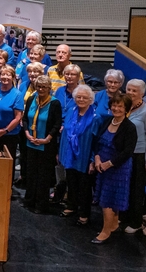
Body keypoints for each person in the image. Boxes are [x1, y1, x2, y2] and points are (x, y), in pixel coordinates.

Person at [92, 94, 137, 244]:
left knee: (107, 200)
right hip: (102, 165)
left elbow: (127, 152)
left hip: (117, 168)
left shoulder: (130, 127)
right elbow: (97, 142)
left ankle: (105, 232)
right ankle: (113, 225)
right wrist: (97, 158)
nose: (116, 109)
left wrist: (109, 163)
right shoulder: (106, 121)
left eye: (120, 106)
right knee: (110, 198)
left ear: (126, 109)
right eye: (114, 105)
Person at [21, 75, 63, 214]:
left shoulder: (55, 103)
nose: (41, 89)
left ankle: (40, 205)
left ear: (49, 88)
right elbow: (25, 119)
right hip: (31, 142)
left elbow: (57, 124)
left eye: (44, 87)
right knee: (31, 174)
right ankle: (29, 201)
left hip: (46, 144)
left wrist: (47, 139)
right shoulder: (32, 99)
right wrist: (27, 133)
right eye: (39, 86)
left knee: (43, 176)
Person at [58, 85, 100, 225]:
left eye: (84, 97)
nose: (81, 99)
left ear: (91, 99)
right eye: (78, 97)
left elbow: (96, 141)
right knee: (71, 182)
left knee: (84, 187)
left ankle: (84, 213)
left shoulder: (95, 117)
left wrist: (92, 160)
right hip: (70, 155)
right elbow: (66, 133)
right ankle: (71, 206)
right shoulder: (71, 110)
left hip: (85, 157)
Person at [122, 79, 146, 234]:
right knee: (124, 187)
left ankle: (135, 222)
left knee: (136, 190)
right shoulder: (124, 106)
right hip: (124, 154)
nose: (130, 93)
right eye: (128, 89)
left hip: (138, 155)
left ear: (142, 93)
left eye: (134, 90)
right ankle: (123, 216)